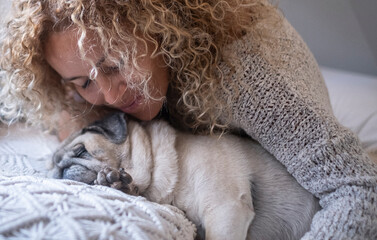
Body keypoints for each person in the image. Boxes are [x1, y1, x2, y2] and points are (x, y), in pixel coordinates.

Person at [1, 0, 376, 239]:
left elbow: (359, 188)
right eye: (83, 82)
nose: (111, 96)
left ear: (157, 27)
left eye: (115, 65)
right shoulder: (96, 84)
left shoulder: (250, 78)